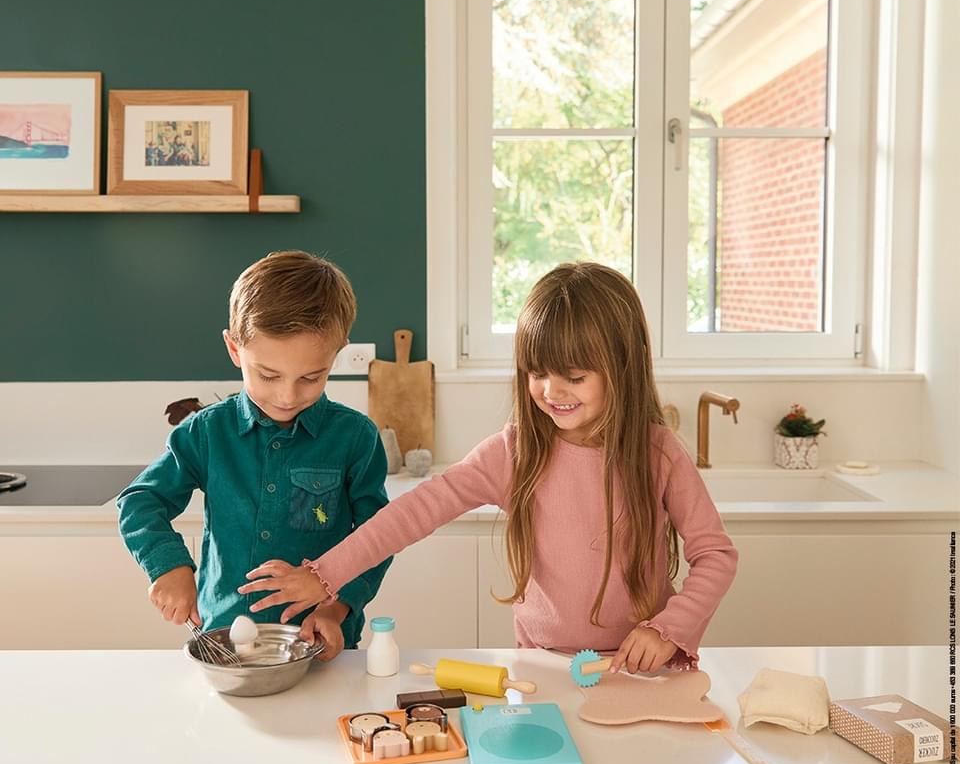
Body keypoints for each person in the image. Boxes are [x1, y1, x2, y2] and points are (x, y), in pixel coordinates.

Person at [241, 262, 738, 675]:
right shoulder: (516, 451)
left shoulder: (658, 453)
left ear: (627, 364)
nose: (551, 391)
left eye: (574, 376)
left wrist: (668, 629)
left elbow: (715, 555)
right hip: (542, 665)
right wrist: (325, 574)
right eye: (537, 372)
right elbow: (413, 512)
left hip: (640, 665)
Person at [117, 250, 392, 662]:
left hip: (321, 646)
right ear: (234, 348)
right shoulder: (207, 432)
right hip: (223, 645)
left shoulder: (355, 437)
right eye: (268, 375)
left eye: (311, 377)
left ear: (336, 354)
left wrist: (337, 608)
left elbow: (378, 536)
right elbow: (140, 501)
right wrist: (168, 565)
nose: (287, 396)